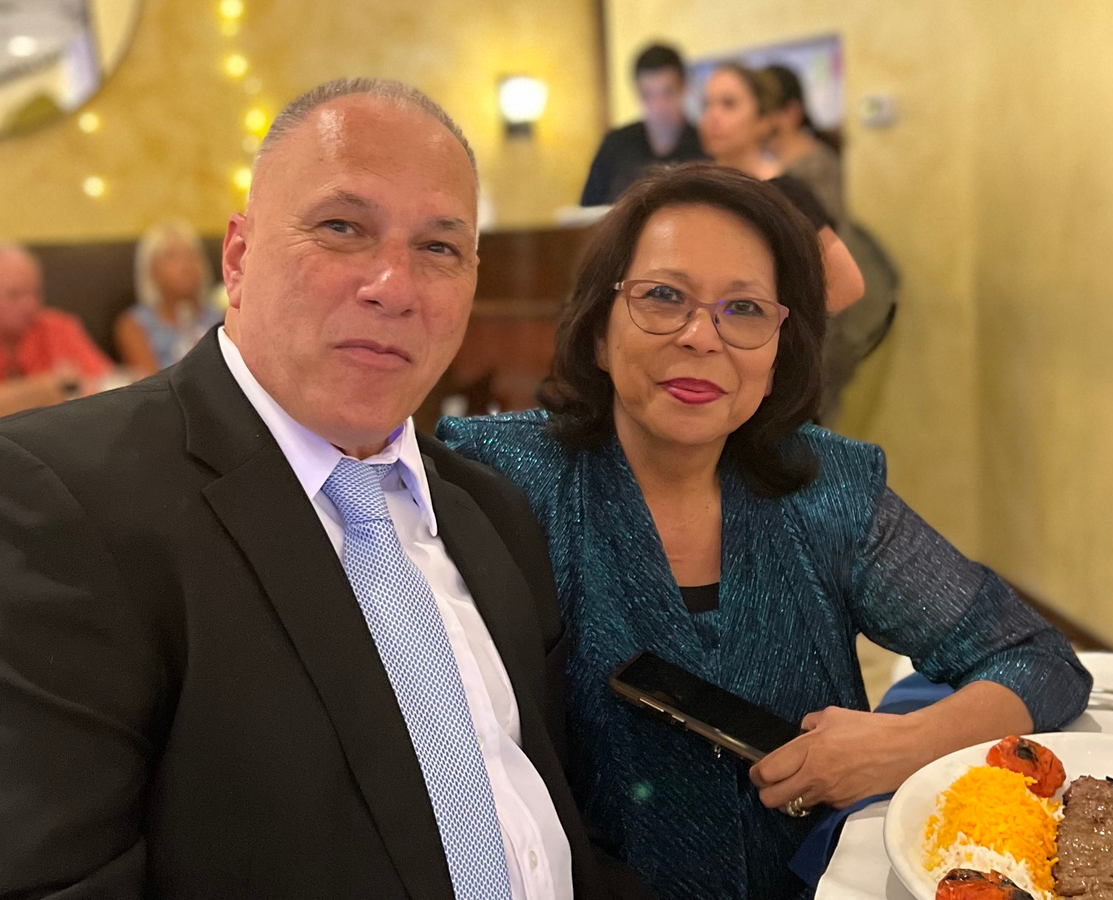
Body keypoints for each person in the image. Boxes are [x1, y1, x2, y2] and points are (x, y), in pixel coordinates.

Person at [0, 78, 653, 899]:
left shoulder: (490, 514)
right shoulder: (67, 502)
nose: (394, 285)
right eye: (342, 228)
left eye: (439, 248)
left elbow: (539, 808)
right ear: (238, 258)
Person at [437, 165, 1092, 900]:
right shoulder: (500, 480)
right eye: (663, 297)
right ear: (597, 331)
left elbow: (1036, 659)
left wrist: (901, 745)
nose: (701, 337)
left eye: (744, 309)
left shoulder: (827, 488)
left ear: (780, 349)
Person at [699, 64, 862, 314]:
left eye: (729, 104)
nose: (713, 116)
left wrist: (781, 328)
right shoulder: (699, 191)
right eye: (706, 105)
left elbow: (847, 286)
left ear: (764, 120)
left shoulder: (786, 194)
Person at [580, 43, 707, 206]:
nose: (658, 106)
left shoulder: (706, 144)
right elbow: (587, 212)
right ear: (637, 93)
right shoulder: (615, 145)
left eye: (667, 92)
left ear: (684, 87)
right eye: (647, 95)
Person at [0, 243, 113, 416]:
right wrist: (44, 388)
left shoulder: (58, 326)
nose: (29, 304)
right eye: (14, 295)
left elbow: (109, 384)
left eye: (35, 292)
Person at [115, 220, 224, 376]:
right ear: (151, 270)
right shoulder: (134, 325)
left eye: (191, 254)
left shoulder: (222, 318)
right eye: (171, 257)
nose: (185, 265)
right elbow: (148, 383)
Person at [762, 64, 845, 226]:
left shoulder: (816, 164)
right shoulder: (772, 163)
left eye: (764, 110)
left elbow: (828, 228)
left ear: (791, 112)